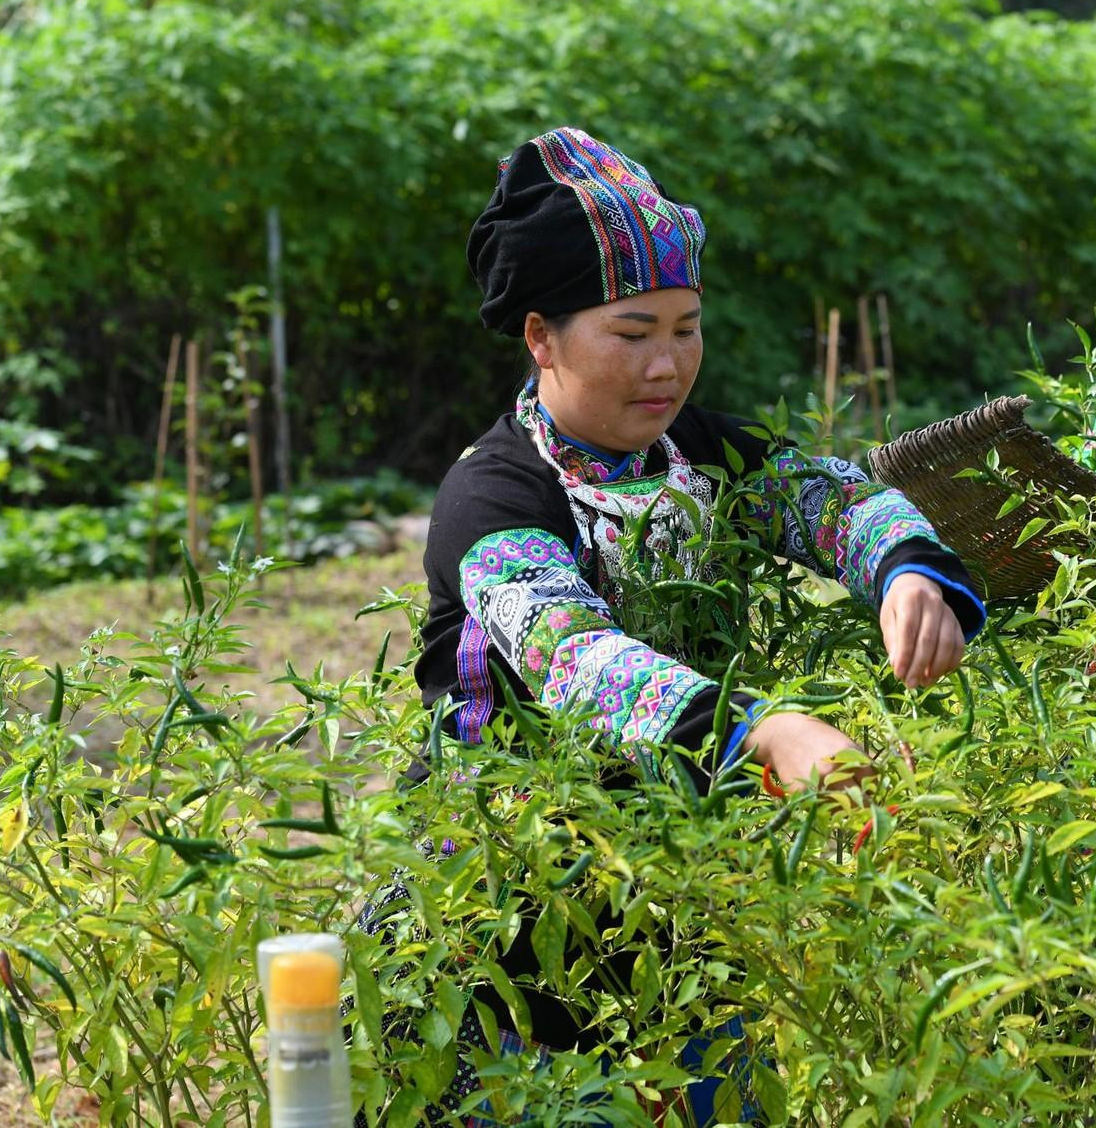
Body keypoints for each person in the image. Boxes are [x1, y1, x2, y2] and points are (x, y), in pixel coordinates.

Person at [398, 126, 985, 1120]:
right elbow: (576, 659)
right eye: (631, 333)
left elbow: (835, 499)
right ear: (541, 336)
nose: (667, 363)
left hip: (681, 882)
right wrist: (762, 731)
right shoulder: (491, 498)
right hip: (507, 903)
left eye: (686, 326)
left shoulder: (695, 452)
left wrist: (904, 570)